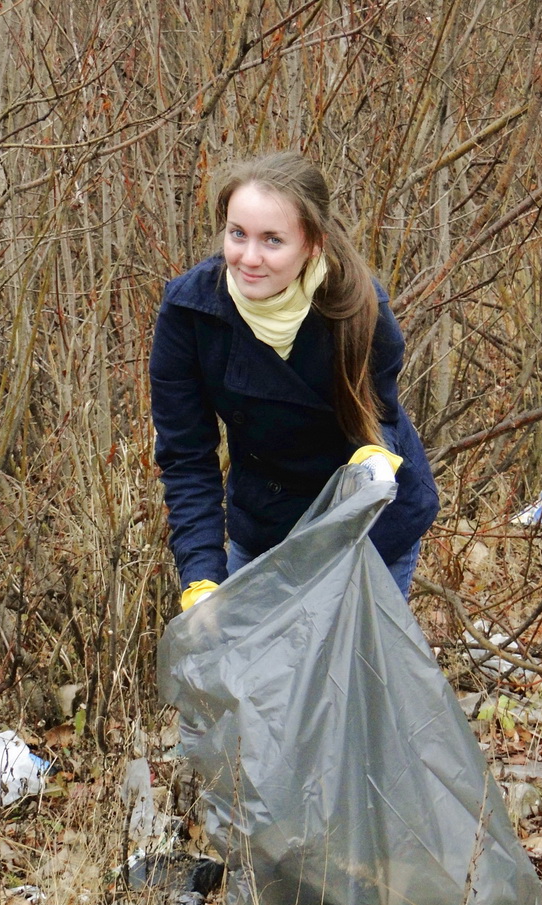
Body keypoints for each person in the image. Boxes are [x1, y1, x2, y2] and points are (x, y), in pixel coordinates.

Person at [150, 152, 438, 610]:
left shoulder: (357, 307)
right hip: (265, 521)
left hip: (363, 525)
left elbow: (375, 417)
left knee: (350, 677)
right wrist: (202, 577)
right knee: (252, 680)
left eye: (273, 240)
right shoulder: (190, 312)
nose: (249, 258)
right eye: (237, 234)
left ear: (313, 244)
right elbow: (186, 457)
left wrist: (374, 460)